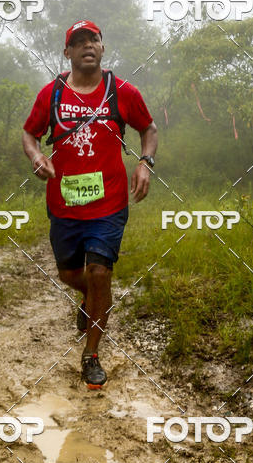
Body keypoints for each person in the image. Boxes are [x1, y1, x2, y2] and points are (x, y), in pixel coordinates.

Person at [22, 19, 158, 389]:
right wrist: (36, 156)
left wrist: (145, 163)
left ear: (102, 48)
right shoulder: (51, 94)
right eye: (78, 41)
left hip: (109, 203)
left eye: (93, 39)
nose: (87, 45)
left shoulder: (122, 92)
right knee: (71, 276)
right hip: (64, 204)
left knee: (100, 273)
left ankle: (91, 354)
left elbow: (148, 129)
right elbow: (29, 133)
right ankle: (92, 299)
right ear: (66, 53)